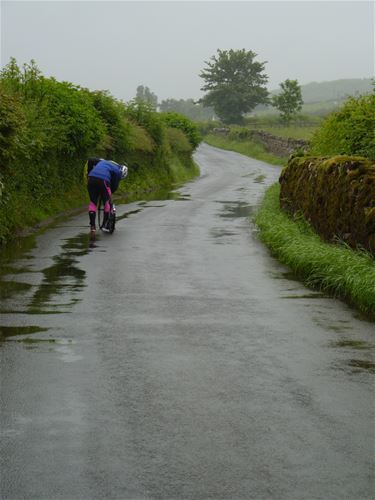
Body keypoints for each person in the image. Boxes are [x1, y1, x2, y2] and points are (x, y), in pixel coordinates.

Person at [87, 158, 128, 236]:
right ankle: (105, 224)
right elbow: (114, 186)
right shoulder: (118, 171)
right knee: (107, 202)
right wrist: (108, 194)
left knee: (92, 202)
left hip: (91, 178)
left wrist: (88, 173)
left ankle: (92, 227)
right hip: (104, 180)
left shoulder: (103, 162)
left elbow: (91, 160)